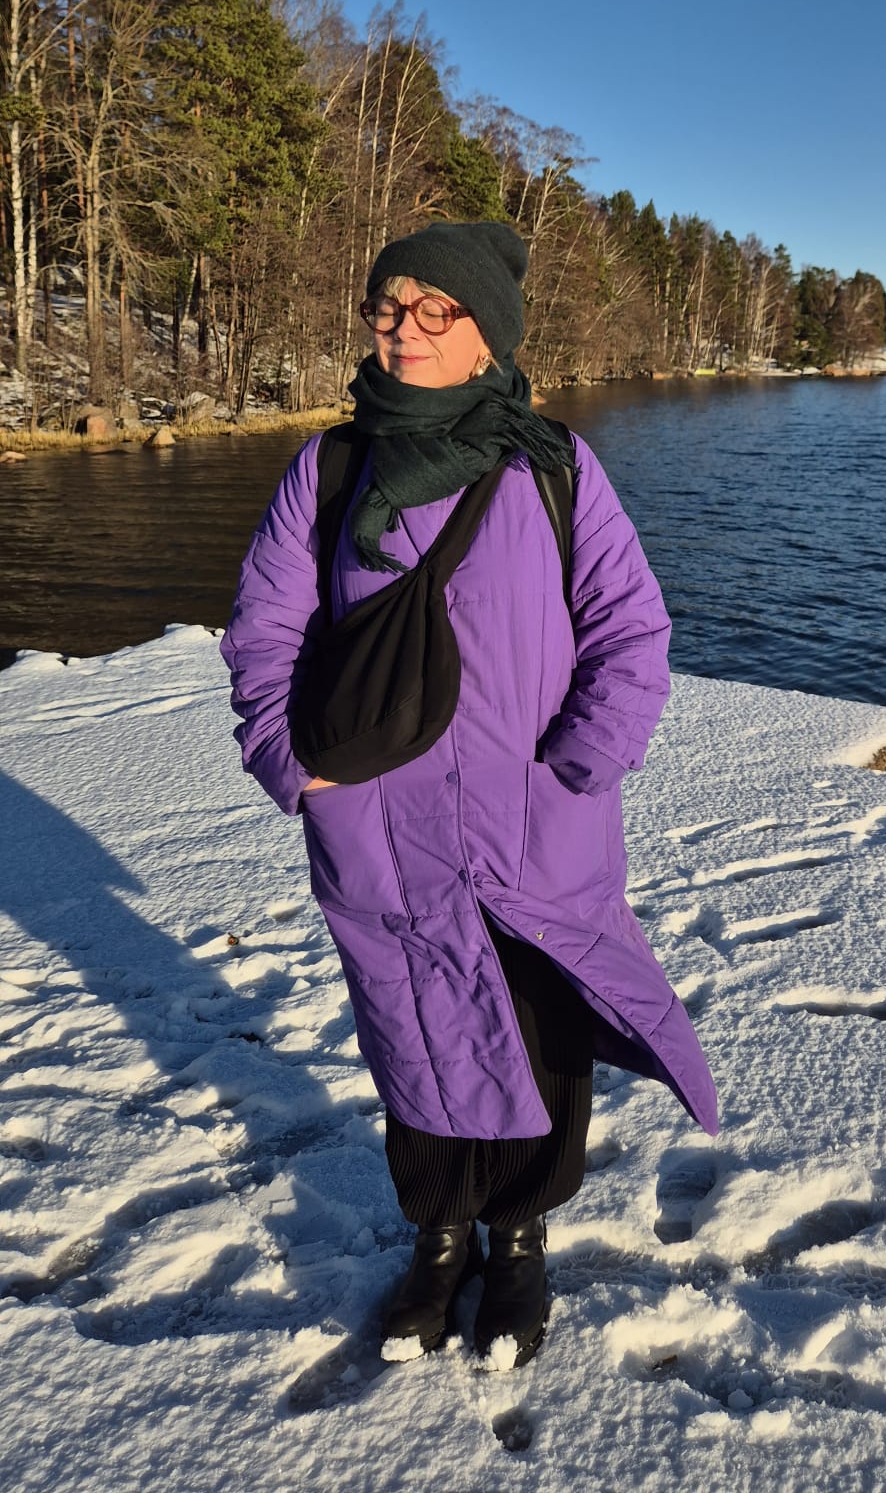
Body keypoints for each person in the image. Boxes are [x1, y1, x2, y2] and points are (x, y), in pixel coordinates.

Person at [221, 221, 717, 1365]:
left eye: (426, 307)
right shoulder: (331, 468)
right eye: (385, 304)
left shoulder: (552, 465)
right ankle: (439, 1242)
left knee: (540, 1034)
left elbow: (631, 629)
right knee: (419, 1036)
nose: (397, 326)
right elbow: (265, 633)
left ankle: (523, 1240)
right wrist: (293, 767)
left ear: (485, 328)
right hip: (381, 829)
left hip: (536, 827)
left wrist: (582, 768)